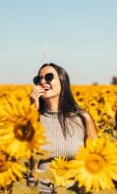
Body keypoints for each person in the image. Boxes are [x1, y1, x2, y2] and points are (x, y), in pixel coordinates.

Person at [30, 63, 97, 193]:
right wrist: (32, 112)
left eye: (49, 77)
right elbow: (26, 162)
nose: (43, 81)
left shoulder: (82, 119)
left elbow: (94, 157)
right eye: (38, 79)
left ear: (63, 81)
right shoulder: (32, 119)